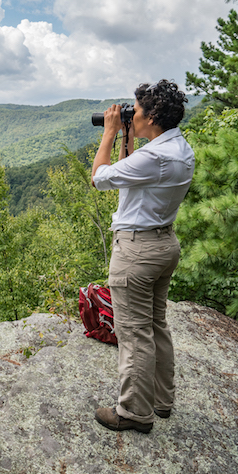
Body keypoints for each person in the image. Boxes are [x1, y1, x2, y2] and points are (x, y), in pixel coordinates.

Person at [90, 79, 194, 434]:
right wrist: (126, 137)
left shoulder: (155, 158)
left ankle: (134, 412)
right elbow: (130, 176)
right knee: (155, 325)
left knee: (133, 333)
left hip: (137, 252)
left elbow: (101, 179)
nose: (129, 116)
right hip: (164, 245)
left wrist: (107, 133)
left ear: (150, 117)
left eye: (135, 111)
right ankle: (162, 401)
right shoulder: (179, 148)